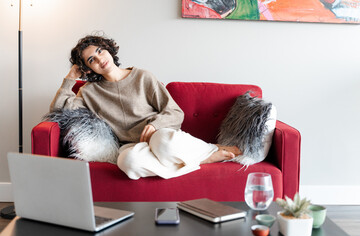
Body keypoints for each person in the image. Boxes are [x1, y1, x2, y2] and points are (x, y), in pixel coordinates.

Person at [50, 33, 241, 180]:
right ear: (87, 68)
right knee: (127, 162)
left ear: (108, 49)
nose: (100, 59)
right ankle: (202, 158)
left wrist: (156, 125)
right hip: (132, 146)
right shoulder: (88, 92)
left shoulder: (142, 77)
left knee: (163, 143)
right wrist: (70, 79)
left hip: (160, 137)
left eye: (100, 51)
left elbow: (174, 112)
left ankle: (205, 150)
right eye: (91, 60)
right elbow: (58, 110)